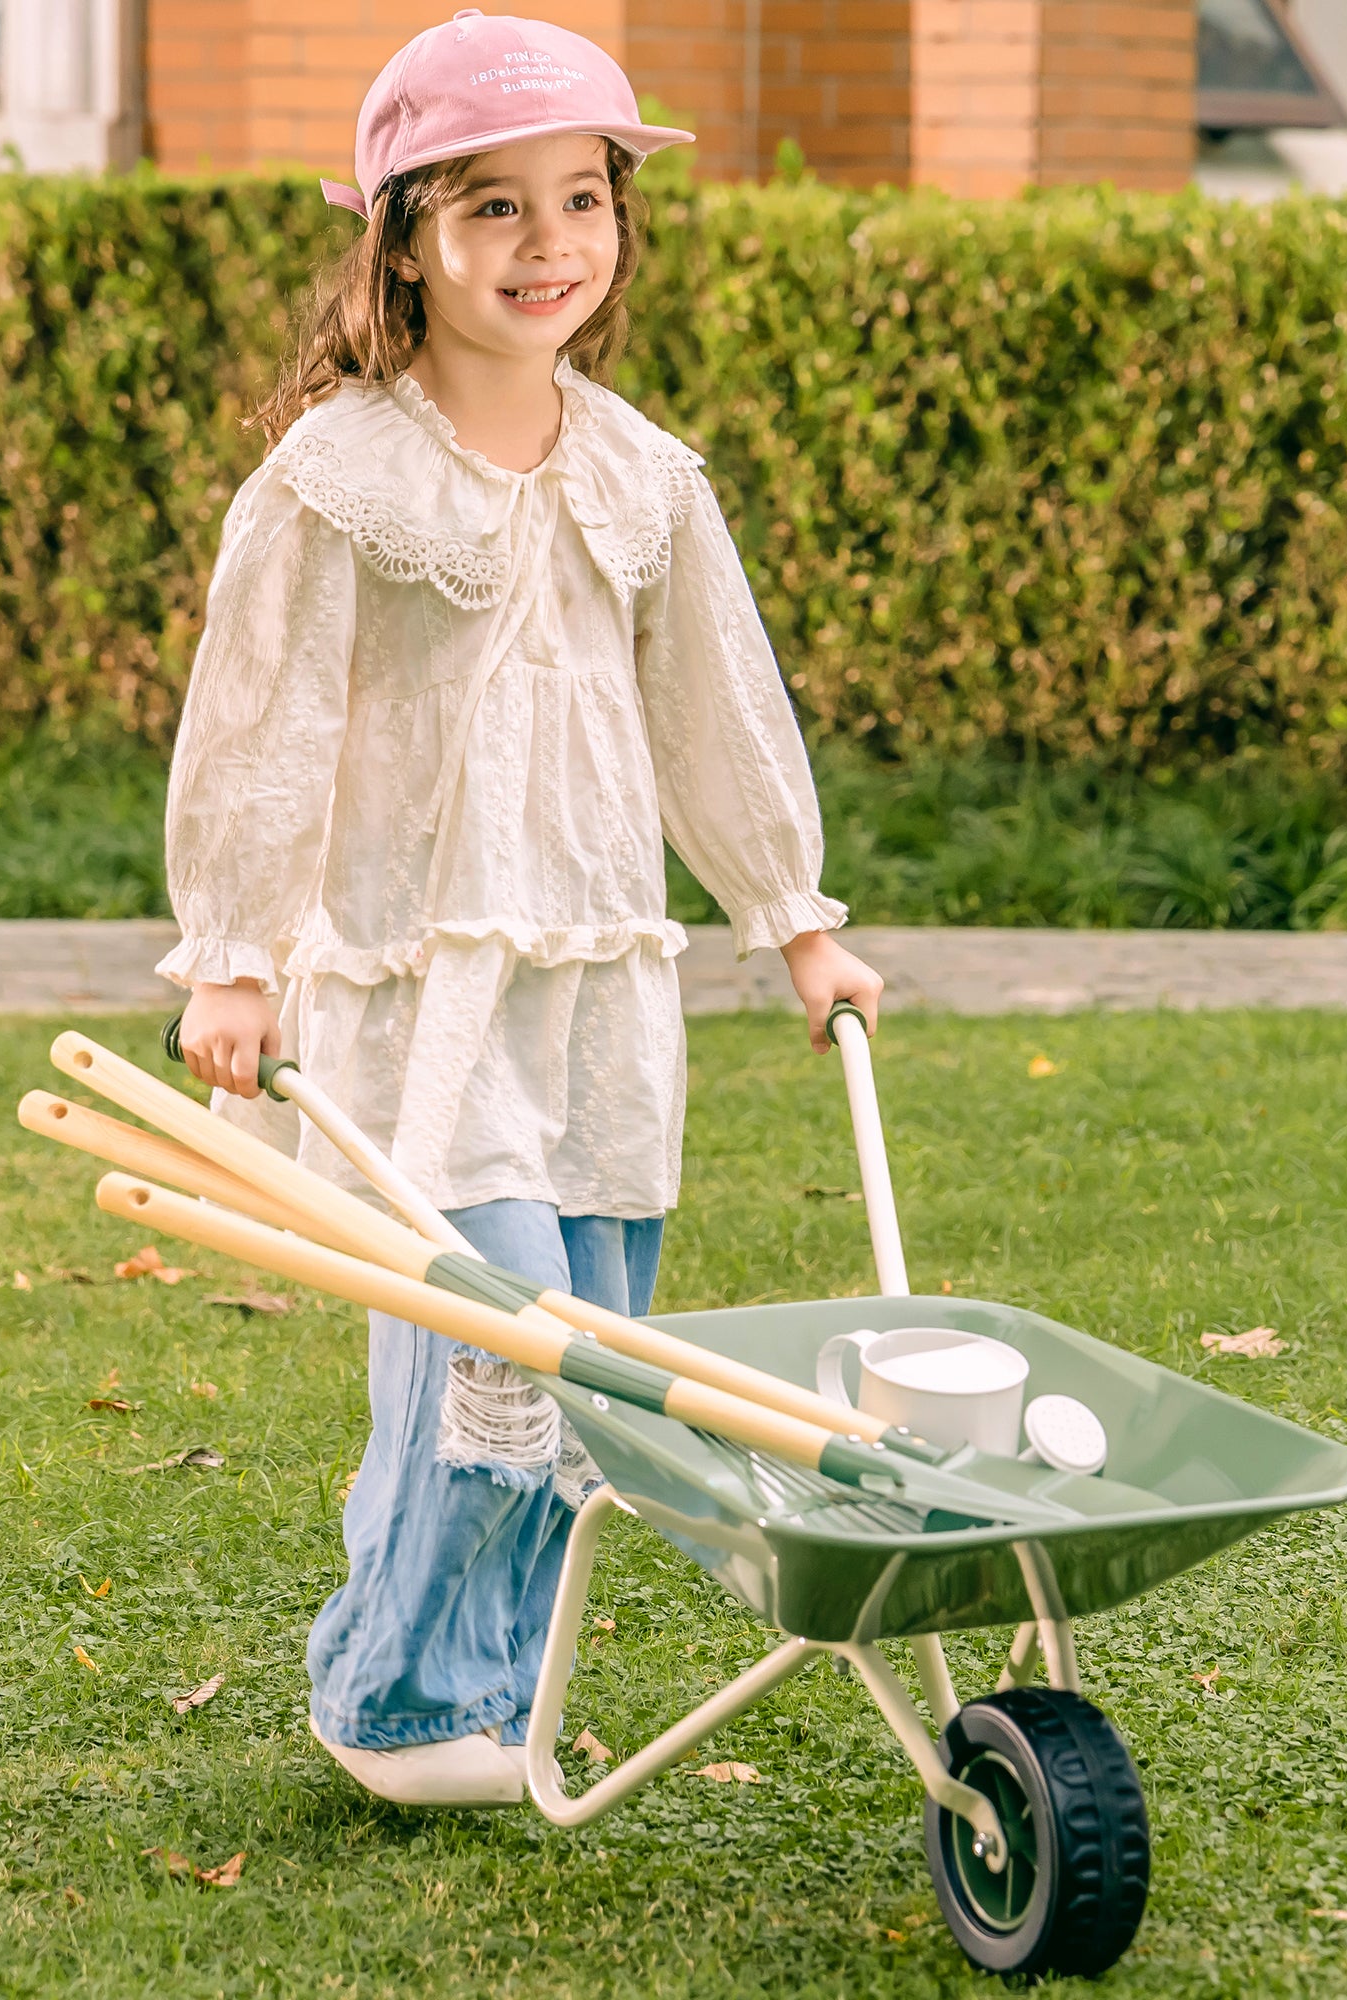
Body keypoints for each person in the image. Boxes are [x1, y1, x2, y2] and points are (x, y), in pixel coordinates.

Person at [161, 12, 882, 1806]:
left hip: (600, 995)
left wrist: (792, 913)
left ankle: (489, 1693)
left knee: (601, 1391)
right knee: (502, 1354)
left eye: (583, 199)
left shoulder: (645, 477)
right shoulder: (338, 480)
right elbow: (261, 724)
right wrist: (235, 954)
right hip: (424, 997)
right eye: (494, 209)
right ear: (406, 235)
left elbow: (718, 711)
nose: (549, 245)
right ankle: (393, 1699)